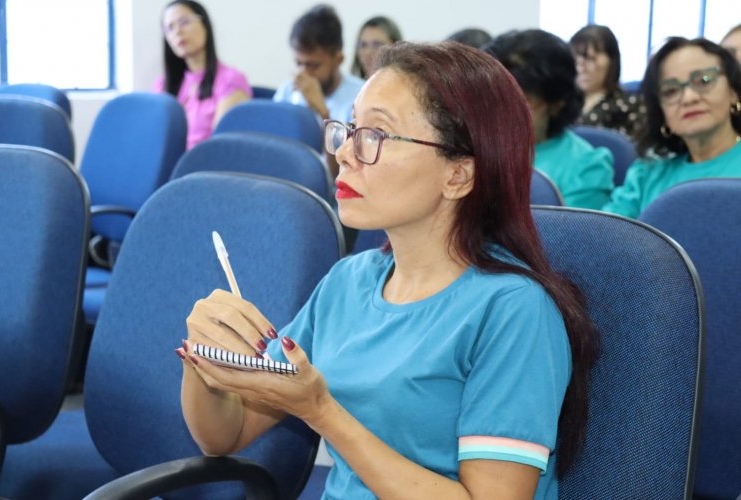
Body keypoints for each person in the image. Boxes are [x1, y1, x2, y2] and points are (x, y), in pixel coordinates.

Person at [176, 41, 599, 499]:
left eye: (375, 135)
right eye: (349, 128)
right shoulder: (347, 283)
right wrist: (205, 362)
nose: (345, 153)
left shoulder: (514, 311)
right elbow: (224, 433)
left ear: (458, 174)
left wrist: (322, 411)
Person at [602, 37, 741, 218]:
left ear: (733, 93)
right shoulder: (647, 174)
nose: (689, 98)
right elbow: (602, 238)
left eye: (704, 81)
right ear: (661, 112)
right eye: (670, 91)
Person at [487, 29, 615, 209]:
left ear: (556, 103)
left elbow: (570, 235)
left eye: (517, 102)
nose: (498, 112)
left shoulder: (586, 167)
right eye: (491, 98)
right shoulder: (475, 148)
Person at [154, 0, 252, 150]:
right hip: (167, 167)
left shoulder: (230, 80)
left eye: (184, 22)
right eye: (169, 28)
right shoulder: (162, 84)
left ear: (205, 25)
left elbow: (222, 147)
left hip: (203, 167)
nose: (177, 32)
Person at [273, 4, 364, 124]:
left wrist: (322, 111)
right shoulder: (288, 90)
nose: (304, 73)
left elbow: (352, 142)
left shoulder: (361, 97)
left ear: (338, 60)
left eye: (313, 66)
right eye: (298, 63)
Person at [570, 25, 646, 139]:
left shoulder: (630, 105)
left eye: (590, 59)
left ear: (611, 62)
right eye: (576, 61)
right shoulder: (561, 105)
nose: (581, 69)